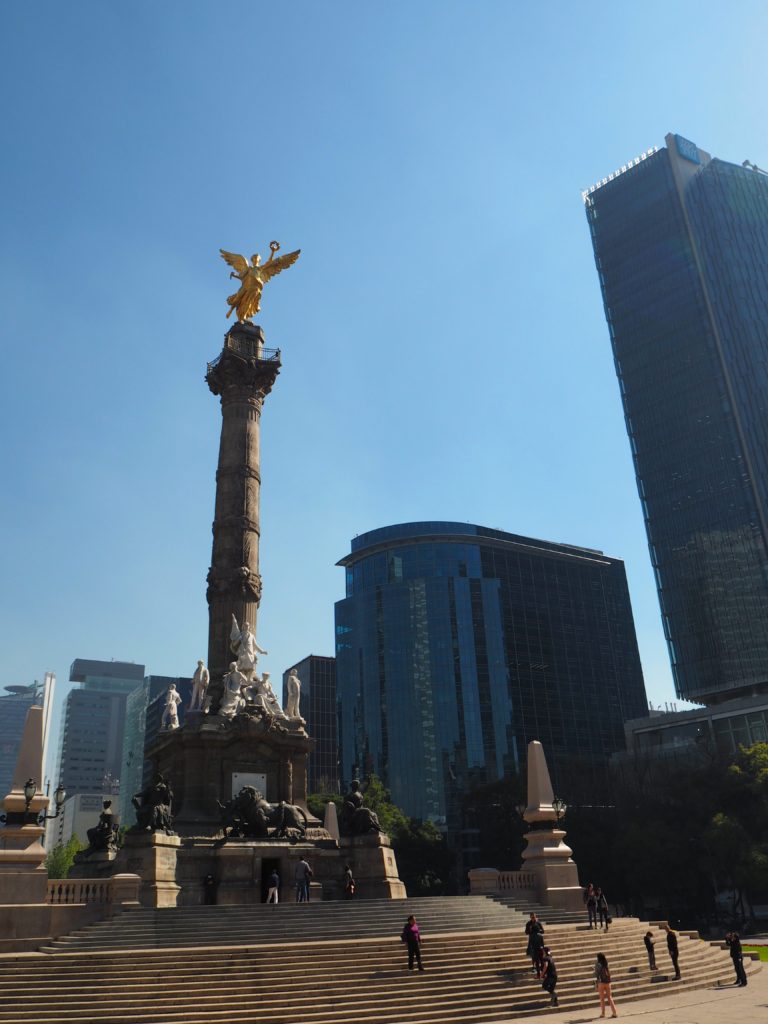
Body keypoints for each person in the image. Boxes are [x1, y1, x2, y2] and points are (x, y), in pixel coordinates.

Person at [594, 952, 618, 1018]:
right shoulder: (606, 963)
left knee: (602, 998)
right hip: (608, 982)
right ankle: (614, 1012)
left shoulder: (597, 964)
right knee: (610, 997)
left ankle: (603, 1013)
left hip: (601, 982)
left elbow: (596, 974)